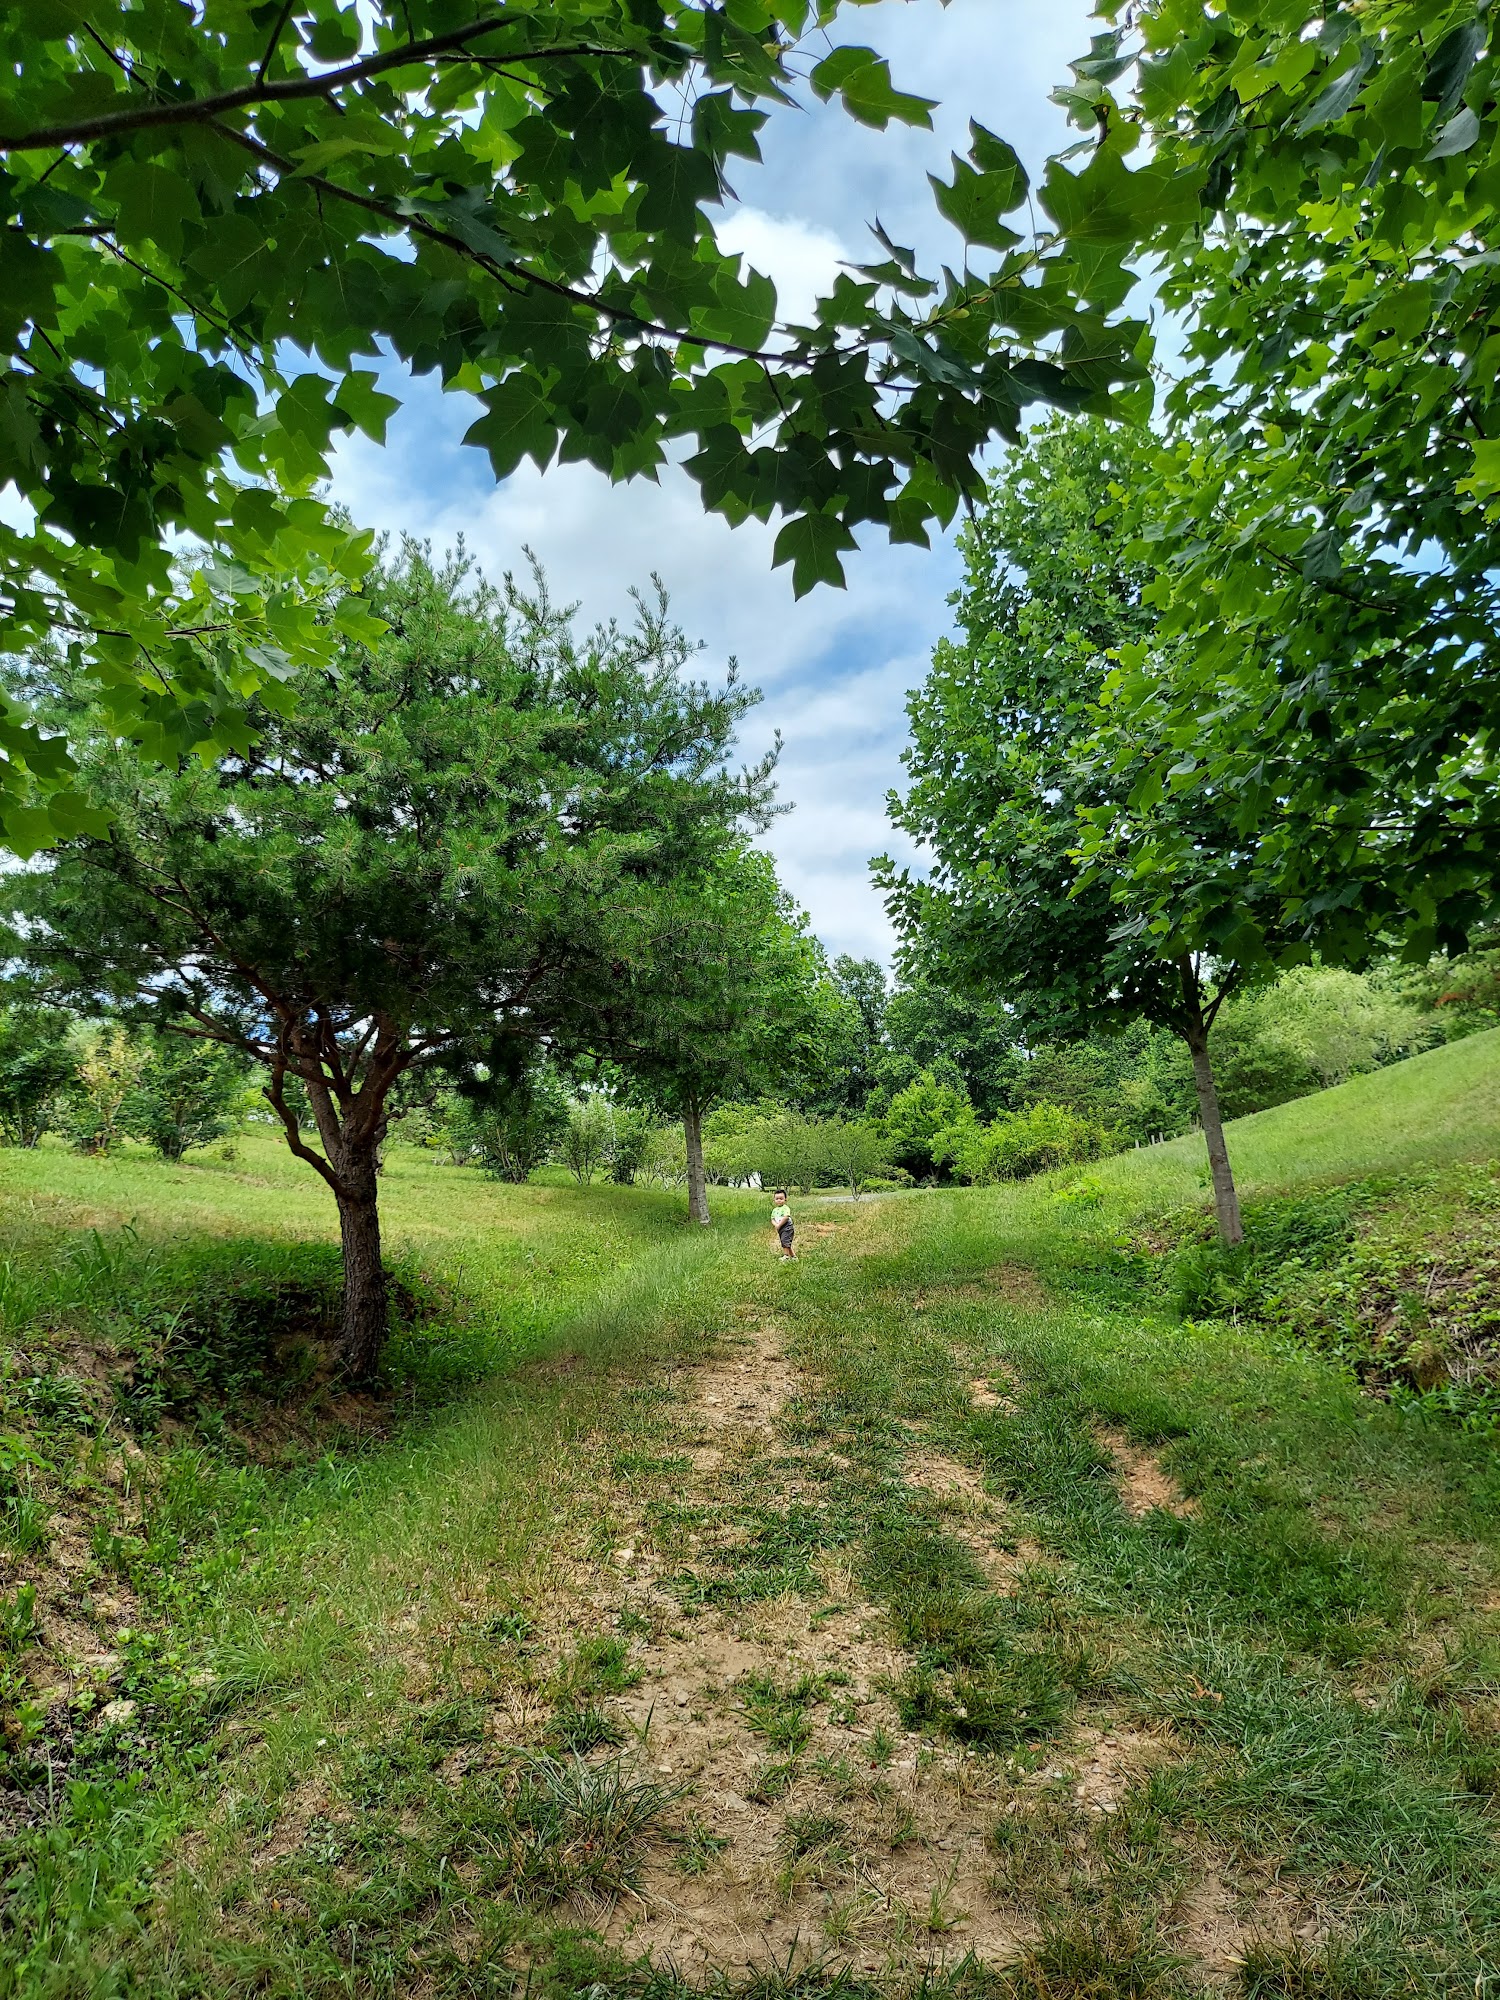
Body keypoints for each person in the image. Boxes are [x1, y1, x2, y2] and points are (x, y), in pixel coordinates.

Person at [770, 1188, 796, 1260]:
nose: (779, 1200)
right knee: (786, 1242)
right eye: (777, 1198)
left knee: (785, 1241)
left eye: (781, 1198)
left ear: (785, 1199)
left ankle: (786, 1256)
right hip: (780, 1228)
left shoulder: (785, 1208)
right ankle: (794, 1257)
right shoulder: (775, 1210)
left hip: (787, 1227)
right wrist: (775, 1225)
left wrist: (779, 1225)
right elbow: (772, 1219)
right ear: (774, 1200)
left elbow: (786, 1217)